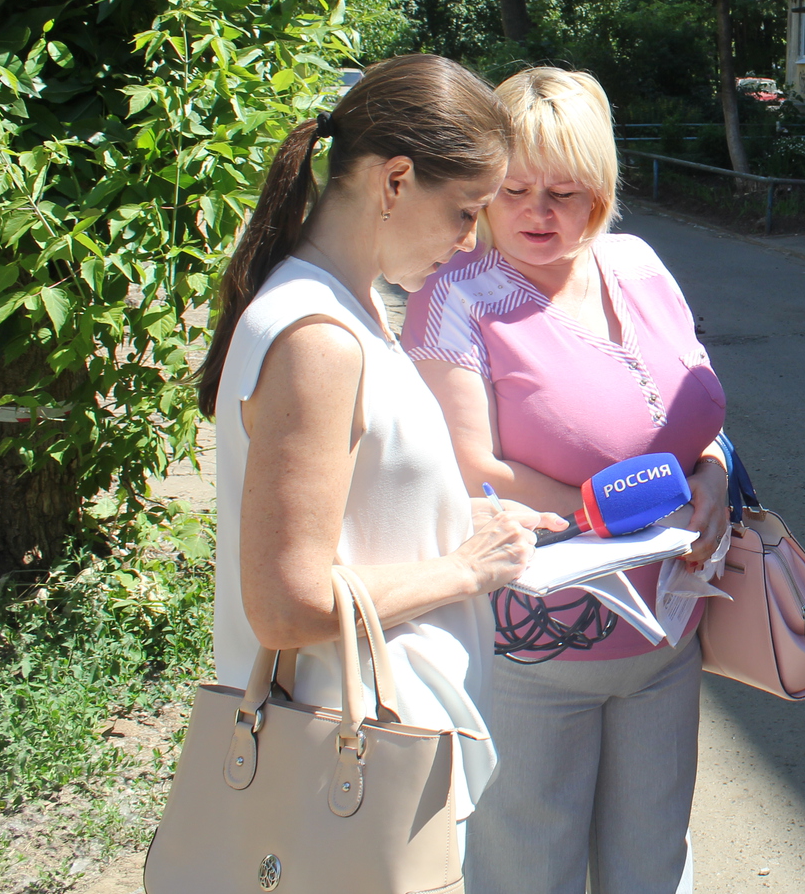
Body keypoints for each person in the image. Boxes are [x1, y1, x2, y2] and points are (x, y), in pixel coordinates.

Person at [201, 53, 562, 852]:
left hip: (370, 755)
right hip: (344, 768)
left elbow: (351, 508)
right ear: (395, 181)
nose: (471, 240)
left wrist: (457, 518)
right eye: (466, 211)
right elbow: (285, 603)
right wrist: (467, 569)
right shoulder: (318, 338)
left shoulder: (346, 303)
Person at [404, 66, 730, 894]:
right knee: (526, 874)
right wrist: (647, 514)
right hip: (534, 650)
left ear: (604, 187)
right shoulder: (454, 297)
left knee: (655, 869)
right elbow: (470, 468)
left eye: (566, 190)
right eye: (514, 189)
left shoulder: (639, 262)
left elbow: (699, 411)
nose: (537, 213)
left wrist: (718, 478)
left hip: (668, 633)